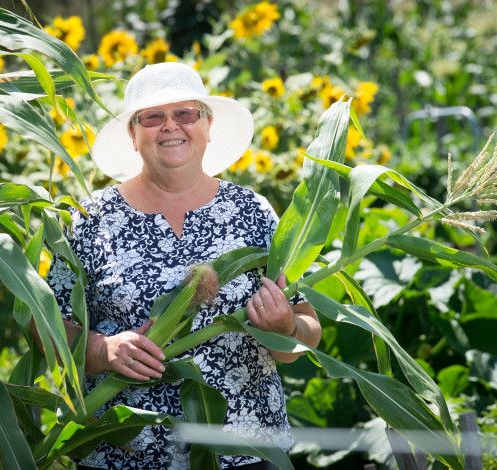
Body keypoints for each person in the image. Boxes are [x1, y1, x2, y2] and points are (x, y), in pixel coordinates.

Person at [45, 62, 321, 469]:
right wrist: (101, 350)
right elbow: (46, 323)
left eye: (185, 114)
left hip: (246, 451)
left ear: (207, 126)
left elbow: (307, 326)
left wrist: (286, 329)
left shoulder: (252, 212)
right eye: (153, 117)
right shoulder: (91, 219)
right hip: (124, 453)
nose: (170, 126)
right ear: (133, 135)